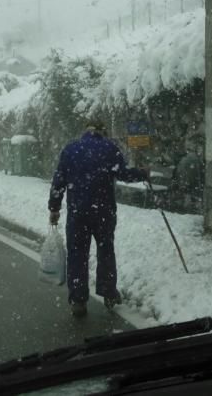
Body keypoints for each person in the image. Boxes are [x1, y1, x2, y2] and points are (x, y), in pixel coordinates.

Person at [48, 121, 149, 318]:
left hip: (78, 213)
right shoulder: (109, 148)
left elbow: (59, 180)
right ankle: (109, 293)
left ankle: (78, 300)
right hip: (103, 212)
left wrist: (54, 207)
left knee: (77, 254)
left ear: (85, 131)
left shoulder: (70, 149)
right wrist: (142, 173)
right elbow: (124, 174)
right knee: (105, 250)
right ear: (102, 132)